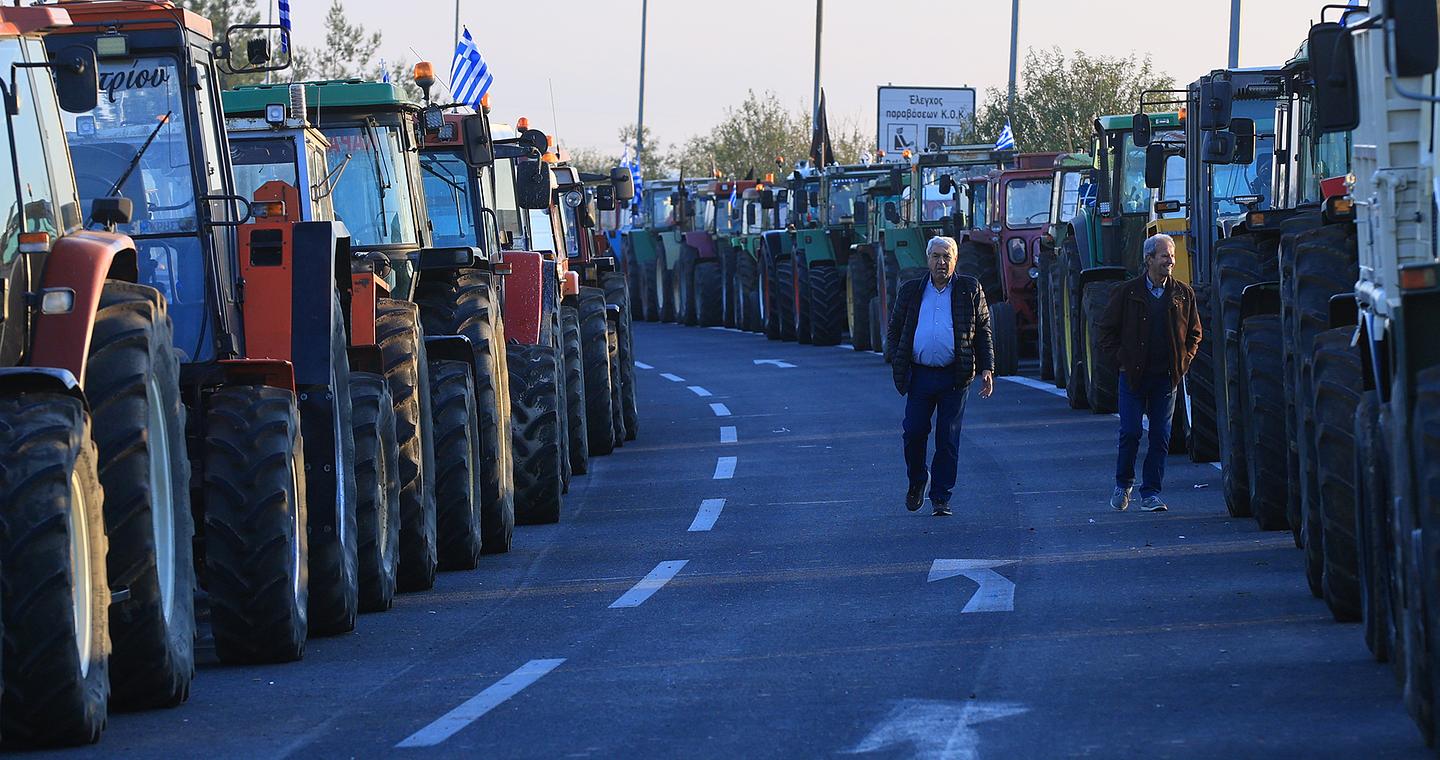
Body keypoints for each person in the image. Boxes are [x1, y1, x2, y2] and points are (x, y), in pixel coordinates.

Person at [885, 236, 995, 516]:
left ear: (955, 260)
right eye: (936, 256)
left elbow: (983, 330)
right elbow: (895, 329)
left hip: (954, 376)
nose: (941, 262)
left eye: (947, 256)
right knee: (913, 432)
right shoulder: (911, 291)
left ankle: (941, 496)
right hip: (920, 375)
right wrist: (897, 359)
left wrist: (987, 368)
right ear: (927, 259)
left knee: (948, 438)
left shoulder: (969, 289)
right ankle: (917, 481)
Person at [1096, 233, 1202, 513]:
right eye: (1165, 255)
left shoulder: (1183, 294)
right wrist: (1122, 361)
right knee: (1130, 431)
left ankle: (1151, 492)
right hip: (1132, 377)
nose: (1171, 261)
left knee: (1160, 436)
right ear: (1149, 259)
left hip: (1166, 378)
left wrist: (1184, 360)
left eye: (1172, 256)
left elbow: (1195, 333)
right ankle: (1123, 483)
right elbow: (1105, 332)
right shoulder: (1126, 293)